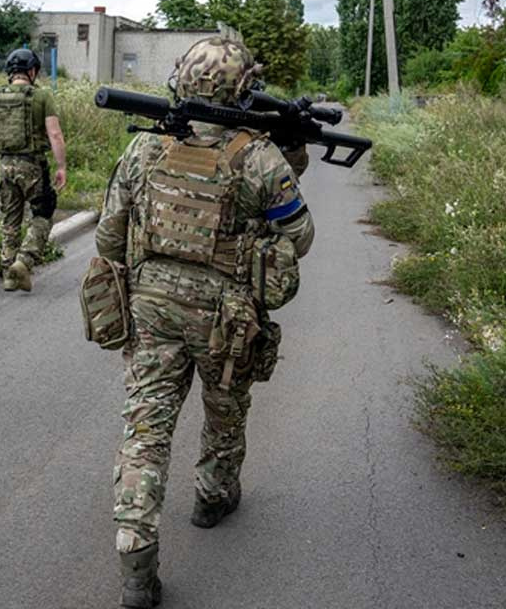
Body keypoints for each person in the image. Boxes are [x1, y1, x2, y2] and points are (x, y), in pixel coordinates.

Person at [95, 37, 315, 607]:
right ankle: (212, 496)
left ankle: (134, 551)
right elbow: (301, 237)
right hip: (226, 316)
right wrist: (290, 157)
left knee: (145, 429)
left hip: (151, 307)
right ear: (243, 91)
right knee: (224, 409)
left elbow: (108, 237)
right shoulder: (258, 157)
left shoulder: (144, 151)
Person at [0, 47, 67, 292]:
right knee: (43, 213)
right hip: (33, 166)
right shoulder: (42, 97)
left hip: (5, 165)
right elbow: (55, 134)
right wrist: (62, 166)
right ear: (32, 71)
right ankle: (24, 260)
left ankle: (9, 274)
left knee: (10, 220)